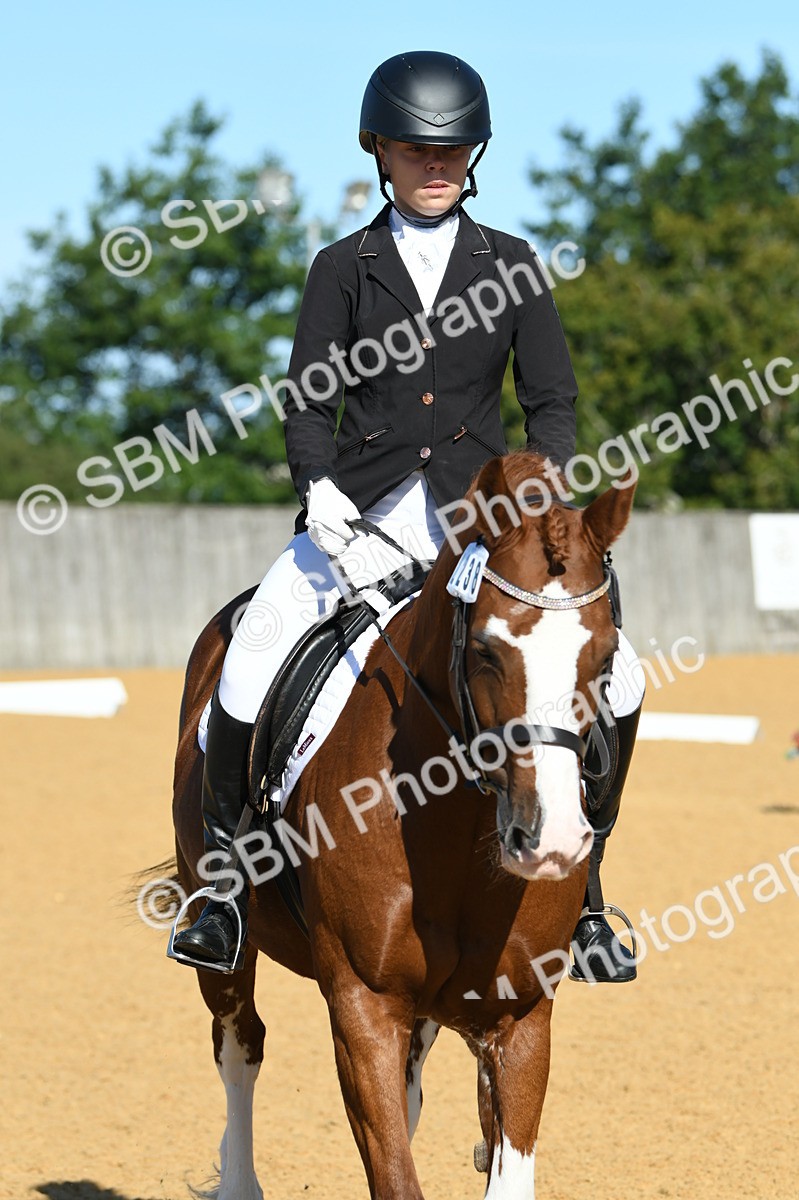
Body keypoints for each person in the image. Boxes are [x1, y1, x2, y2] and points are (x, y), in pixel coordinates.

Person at [173, 50, 644, 976]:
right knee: (250, 657)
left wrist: (534, 500)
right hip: (359, 510)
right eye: (416, 151)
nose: (437, 168)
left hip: (483, 522)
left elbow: (550, 398)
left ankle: (583, 897)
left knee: (618, 680)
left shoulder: (510, 264)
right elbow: (308, 402)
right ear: (379, 151)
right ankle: (225, 893)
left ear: (473, 155)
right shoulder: (340, 267)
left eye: (454, 151)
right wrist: (320, 497)